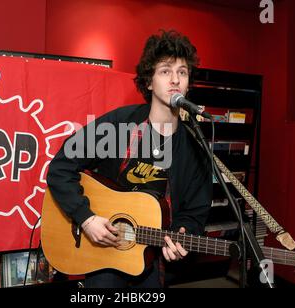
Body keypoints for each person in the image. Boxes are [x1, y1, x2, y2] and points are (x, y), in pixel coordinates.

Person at [46, 30, 212, 288]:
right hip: (103, 251)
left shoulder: (195, 146)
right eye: (165, 71)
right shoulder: (119, 125)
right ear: (149, 81)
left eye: (182, 72)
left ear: (189, 83)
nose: (175, 79)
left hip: (151, 257)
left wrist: (183, 235)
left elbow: (195, 211)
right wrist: (86, 218)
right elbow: (61, 167)